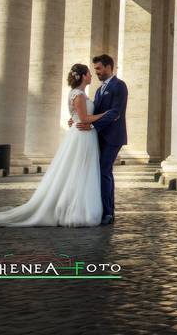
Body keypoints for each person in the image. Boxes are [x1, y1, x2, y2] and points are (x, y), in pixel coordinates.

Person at [0, 64, 105, 227]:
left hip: (82, 134)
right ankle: (76, 209)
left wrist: (79, 119)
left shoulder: (78, 94)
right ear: (83, 76)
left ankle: (75, 205)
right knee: (80, 170)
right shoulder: (79, 95)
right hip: (82, 135)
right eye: (89, 74)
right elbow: (83, 118)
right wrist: (106, 114)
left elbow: (77, 117)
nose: (91, 76)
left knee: (78, 170)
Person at [73, 54, 128, 225]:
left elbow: (115, 112)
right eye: (95, 69)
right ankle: (102, 209)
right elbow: (93, 112)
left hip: (113, 137)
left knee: (104, 171)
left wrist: (94, 126)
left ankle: (109, 213)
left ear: (109, 66)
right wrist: (77, 118)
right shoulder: (98, 90)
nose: (96, 72)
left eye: (98, 68)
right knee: (99, 172)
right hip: (98, 137)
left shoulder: (119, 86)